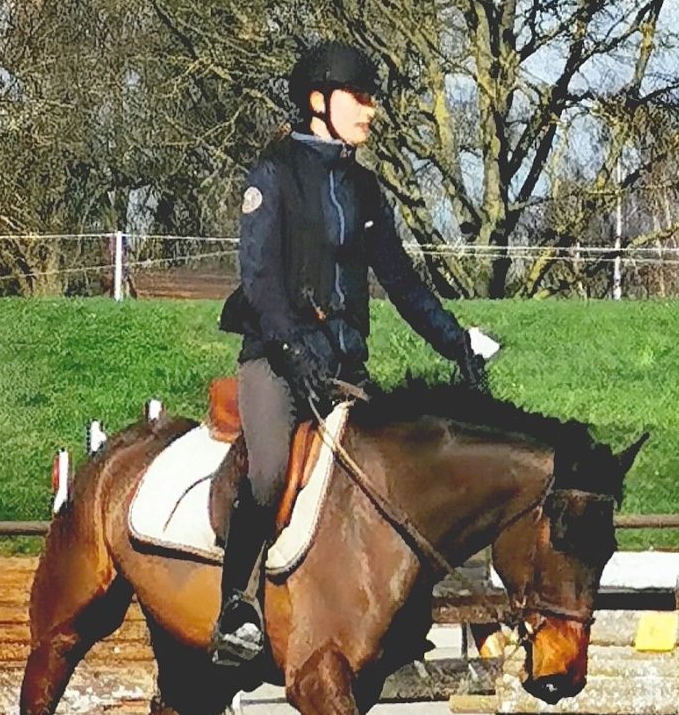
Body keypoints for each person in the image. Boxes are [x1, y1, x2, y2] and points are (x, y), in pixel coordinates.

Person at [211, 40, 498, 666]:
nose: (371, 111)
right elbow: (258, 279)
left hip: (344, 370)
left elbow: (400, 280)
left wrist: (456, 343)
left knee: (390, 472)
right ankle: (237, 603)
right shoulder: (273, 175)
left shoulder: (364, 190)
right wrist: (291, 349)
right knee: (265, 476)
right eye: (360, 98)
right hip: (276, 361)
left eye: (373, 99)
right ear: (319, 101)